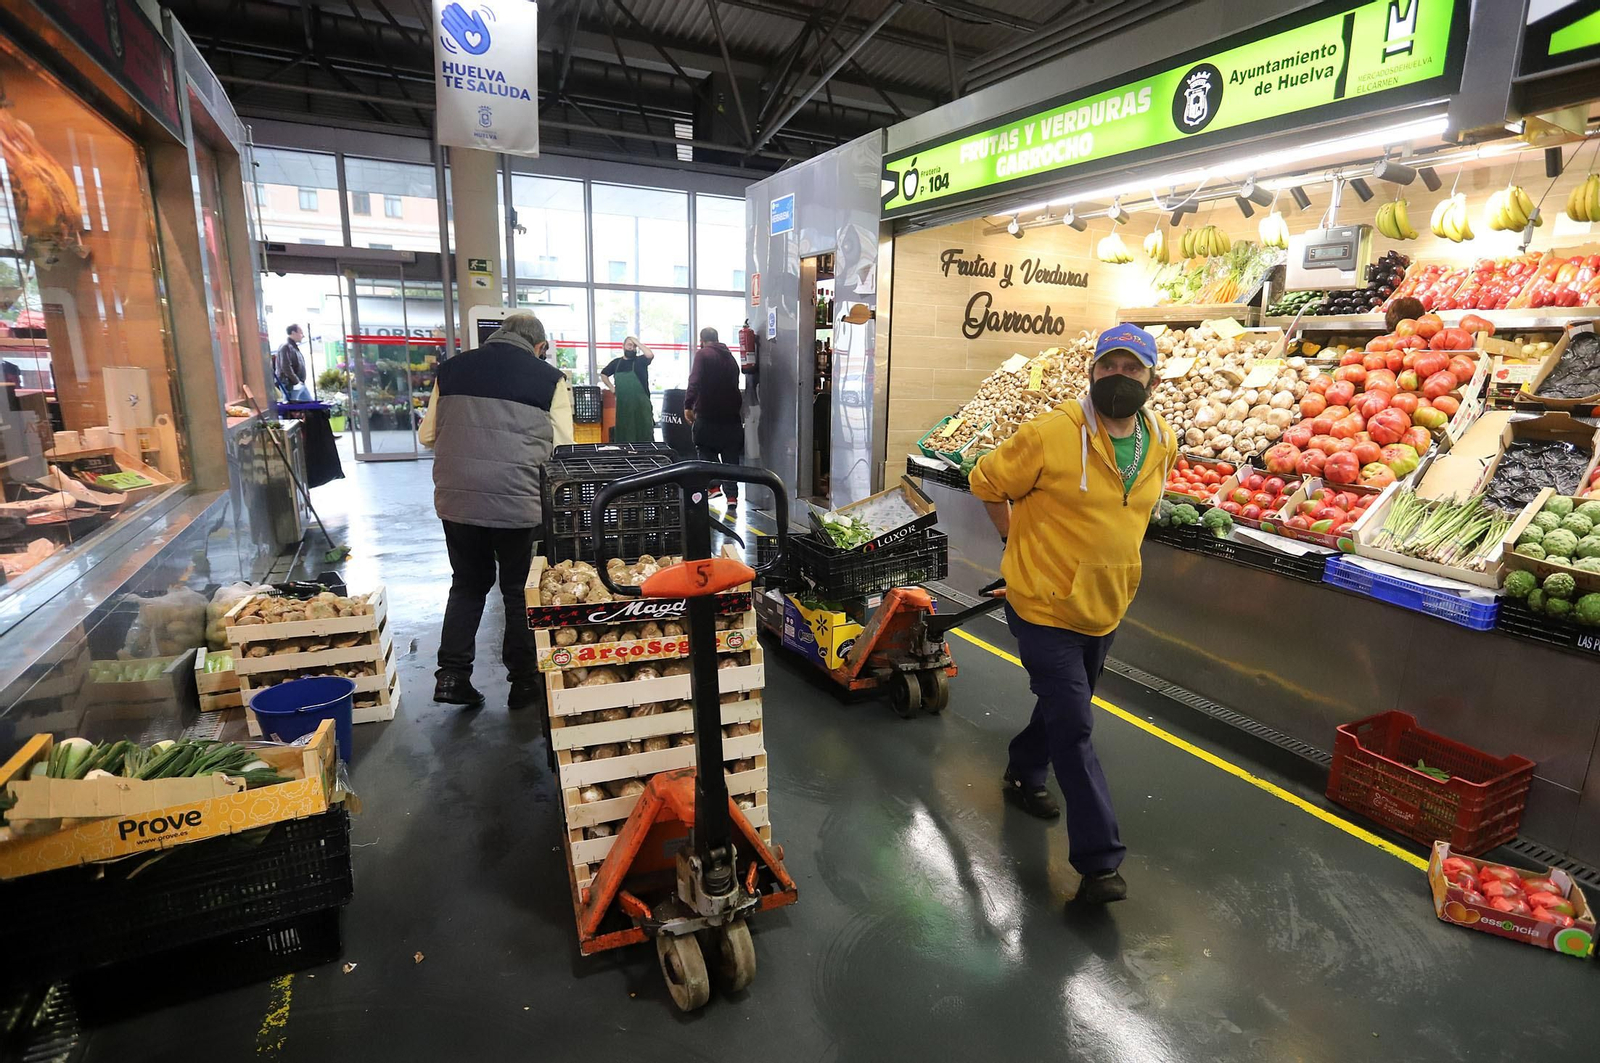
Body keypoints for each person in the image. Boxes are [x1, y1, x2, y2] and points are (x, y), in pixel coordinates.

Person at [968, 323, 1177, 906]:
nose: (1119, 378)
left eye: (1131, 369)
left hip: (1106, 604)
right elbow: (985, 480)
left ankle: (1023, 771)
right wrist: (1014, 547)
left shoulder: (1161, 438)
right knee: (1077, 725)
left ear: (1151, 377)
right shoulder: (1050, 434)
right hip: (1040, 603)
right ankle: (1099, 862)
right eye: (1109, 367)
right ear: (1092, 371)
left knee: (1067, 706)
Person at [417, 312, 567, 712]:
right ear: (539, 347)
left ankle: (452, 676)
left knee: (467, 582)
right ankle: (523, 684)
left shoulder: (451, 370)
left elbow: (427, 435)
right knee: (517, 590)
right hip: (518, 500)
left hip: (458, 499)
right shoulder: (549, 379)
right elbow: (563, 451)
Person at [685, 326, 745, 507]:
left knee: (704, 449)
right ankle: (732, 497)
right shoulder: (730, 357)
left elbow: (694, 381)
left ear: (701, 341)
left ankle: (713, 487)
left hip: (708, 415)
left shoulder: (703, 355)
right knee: (731, 458)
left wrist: (688, 405)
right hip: (732, 418)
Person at [600, 336, 656, 442]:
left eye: (634, 346)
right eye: (629, 345)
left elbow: (650, 354)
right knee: (624, 431)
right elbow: (603, 374)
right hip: (623, 407)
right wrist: (611, 388)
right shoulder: (616, 363)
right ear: (623, 346)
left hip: (641, 405)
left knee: (644, 431)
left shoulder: (640, 361)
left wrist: (637, 342)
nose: (632, 348)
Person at [275, 325, 312, 402]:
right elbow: (285, 367)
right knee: (292, 408)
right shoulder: (286, 347)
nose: (303, 336)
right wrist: (296, 381)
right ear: (293, 333)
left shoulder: (293, 347)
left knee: (309, 404)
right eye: (301, 333)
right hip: (290, 384)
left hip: (298, 383)